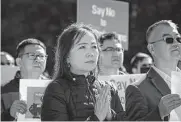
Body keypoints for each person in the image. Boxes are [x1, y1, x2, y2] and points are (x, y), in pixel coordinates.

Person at [41, 23, 126, 121]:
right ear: (67, 56)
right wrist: (97, 117)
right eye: (82, 47)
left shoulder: (109, 89)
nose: (91, 53)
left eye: (94, 47)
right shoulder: (56, 90)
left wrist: (111, 116)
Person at [125, 20, 181, 121]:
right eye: (168, 39)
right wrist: (159, 113)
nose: (176, 43)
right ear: (152, 48)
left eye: (178, 39)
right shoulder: (138, 89)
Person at [1, 38, 48, 121]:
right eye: (32, 55)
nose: (38, 59)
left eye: (41, 56)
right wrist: (9, 114)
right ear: (19, 62)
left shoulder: (56, 88)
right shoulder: (3, 91)